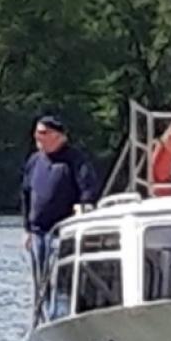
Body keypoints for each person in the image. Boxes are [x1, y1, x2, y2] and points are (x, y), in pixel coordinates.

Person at [21, 112, 100, 309]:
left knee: (59, 281)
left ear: (57, 136)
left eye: (42, 132)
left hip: (62, 233)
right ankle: (41, 315)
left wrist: (82, 208)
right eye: (36, 132)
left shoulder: (75, 160)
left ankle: (59, 313)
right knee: (40, 282)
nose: (37, 137)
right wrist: (27, 229)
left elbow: (88, 189)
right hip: (38, 232)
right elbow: (25, 194)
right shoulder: (34, 161)